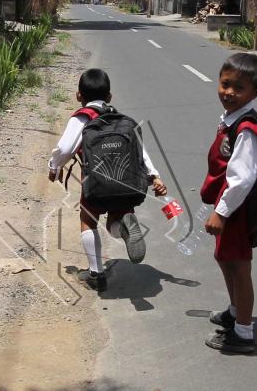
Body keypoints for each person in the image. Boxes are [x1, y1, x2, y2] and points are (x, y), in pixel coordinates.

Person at [48, 68, 167, 292]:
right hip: (124, 183)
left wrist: (54, 166)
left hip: (95, 183)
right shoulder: (121, 120)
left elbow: (65, 148)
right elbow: (140, 151)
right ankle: (123, 225)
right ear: (109, 97)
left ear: (79, 96)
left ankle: (96, 273)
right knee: (116, 218)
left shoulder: (82, 118)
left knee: (88, 220)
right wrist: (154, 176)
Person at [200, 52, 257, 354]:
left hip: (236, 212)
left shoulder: (246, 130)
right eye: (225, 84)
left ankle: (244, 333)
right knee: (224, 258)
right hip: (229, 209)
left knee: (239, 267)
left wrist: (221, 213)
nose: (229, 92)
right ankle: (234, 310)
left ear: (255, 93)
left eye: (239, 88)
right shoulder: (233, 119)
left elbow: (242, 179)